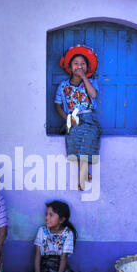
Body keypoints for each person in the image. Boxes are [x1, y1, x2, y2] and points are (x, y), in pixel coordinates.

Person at [55, 44, 102, 191]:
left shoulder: (91, 82)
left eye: (83, 64)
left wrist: (84, 78)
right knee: (75, 137)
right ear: (70, 66)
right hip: (73, 119)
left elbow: (93, 95)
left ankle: (81, 179)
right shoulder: (63, 86)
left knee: (88, 137)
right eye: (76, 64)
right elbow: (57, 105)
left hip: (89, 119)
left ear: (87, 68)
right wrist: (67, 118)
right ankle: (83, 174)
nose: (79, 67)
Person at [30, 200, 78, 272]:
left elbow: (63, 258)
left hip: (59, 265)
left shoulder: (68, 233)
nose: (46, 218)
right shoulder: (42, 231)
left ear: (61, 220)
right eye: (46, 214)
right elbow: (38, 255)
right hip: (45, 265)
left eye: (51, 215)